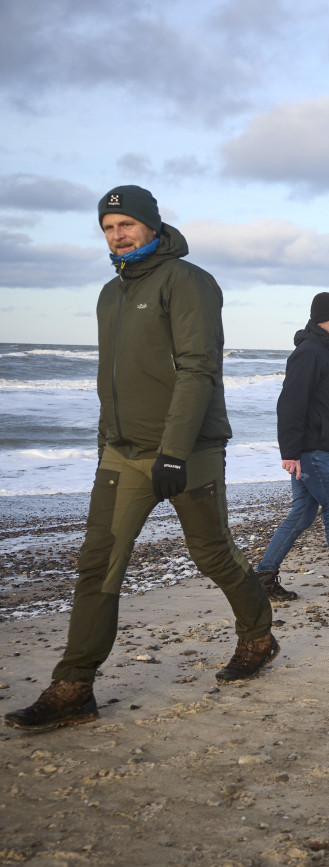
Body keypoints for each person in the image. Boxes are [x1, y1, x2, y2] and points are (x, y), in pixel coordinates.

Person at [4, 185, 278, 733]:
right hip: (123, 454)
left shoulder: (189, 281)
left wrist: (174, 453)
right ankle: (75, 683)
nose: (117, 234)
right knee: (97, 565)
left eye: (125, 223)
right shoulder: (111, 294)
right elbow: (114, 377)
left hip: (188, 452)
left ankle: (258, 636)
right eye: (108, 227)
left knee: (211, 554)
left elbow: (199, 369)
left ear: (152, 224)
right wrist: (108, 439)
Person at [252, 292, 329, 601]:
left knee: (303, 514)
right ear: (321, 319)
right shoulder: (309, 353)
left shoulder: (325, 353)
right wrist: (290, 453)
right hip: (311, 452)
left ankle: (263, 577)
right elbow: (290, 404)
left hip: (315, 449)